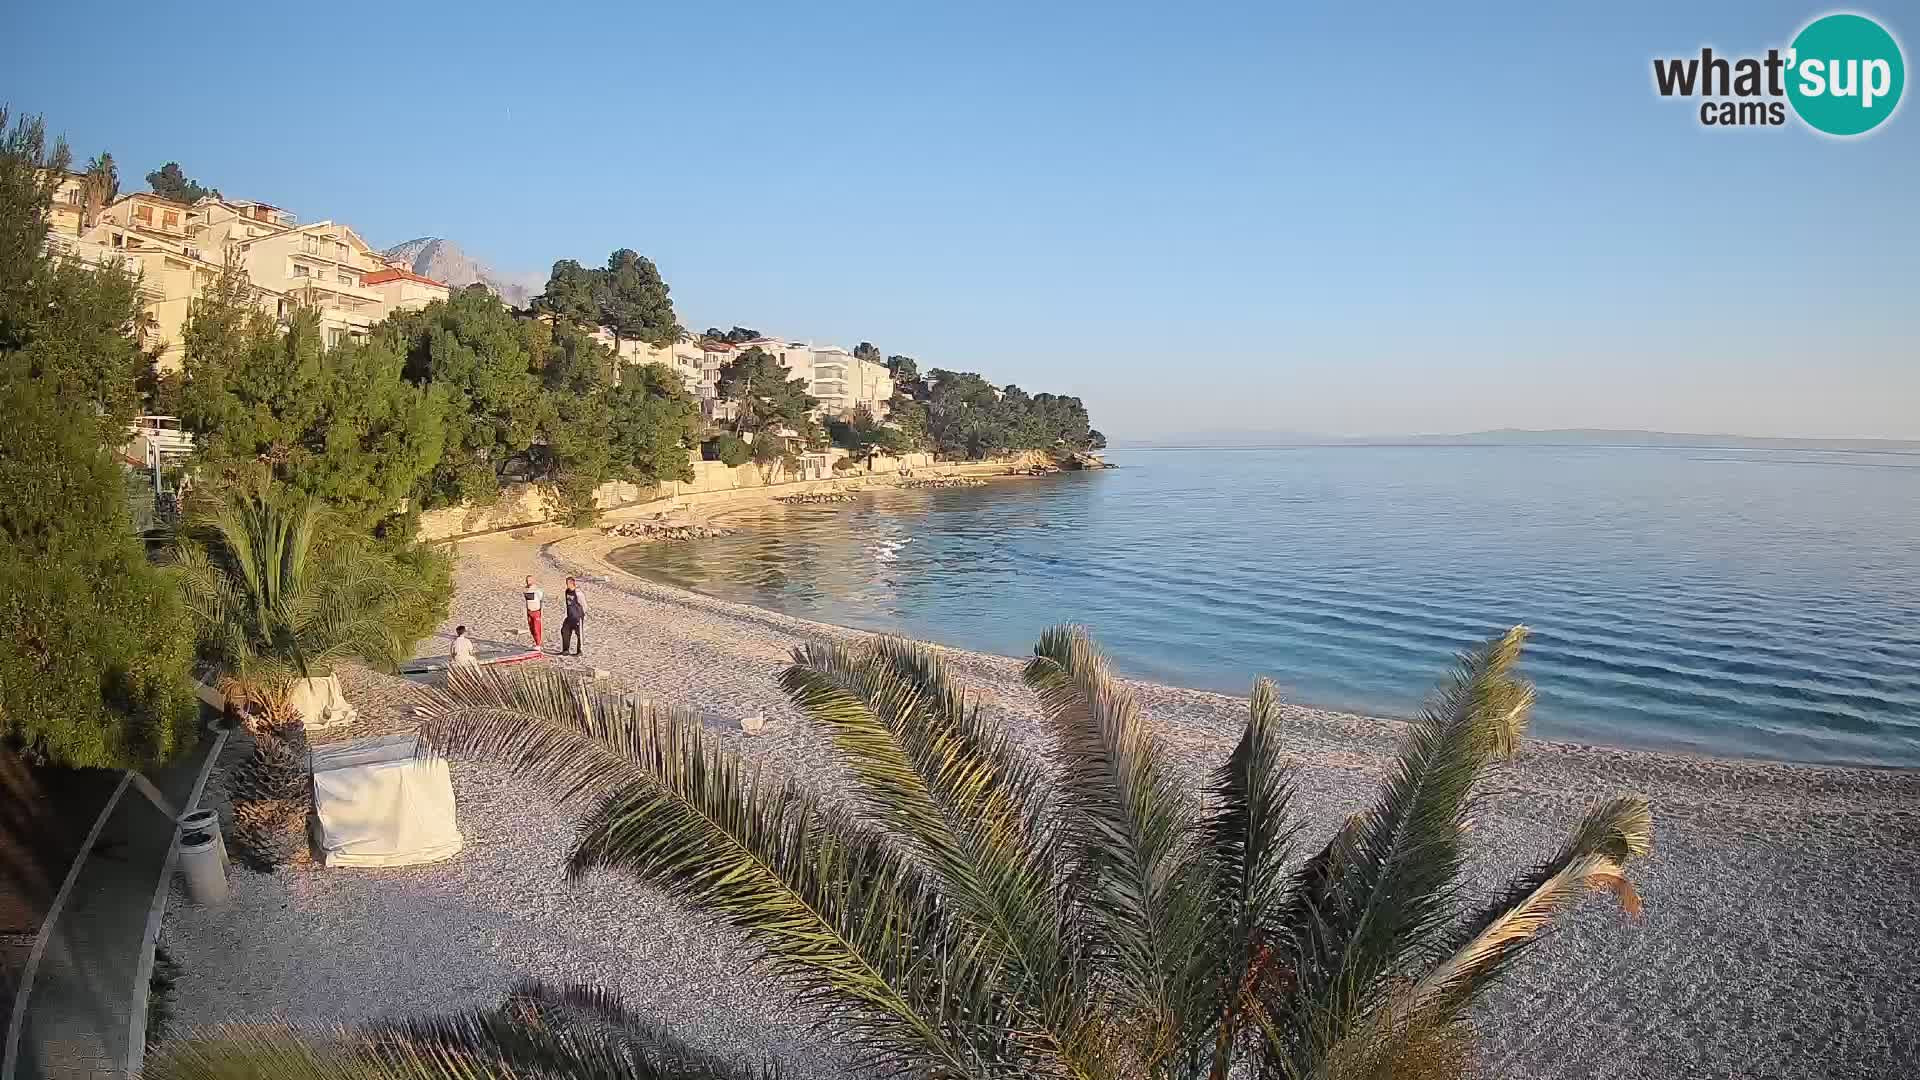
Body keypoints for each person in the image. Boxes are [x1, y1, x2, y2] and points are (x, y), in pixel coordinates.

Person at [560, 576, 587, 657]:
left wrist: (581, 615)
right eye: (566, 583)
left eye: (568, 583)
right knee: (564, 631)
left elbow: (584, 605)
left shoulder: (578, 593)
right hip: (569, 617)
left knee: (579, 634)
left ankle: (579, 651)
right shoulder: (567, 591)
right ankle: (565, 650)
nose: (567, 584)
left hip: (577, 617)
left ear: (572, 583)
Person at [523, 575, 545, 648]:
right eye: (527, 580)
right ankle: (536, 643)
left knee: (536, 629)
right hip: (529, 611)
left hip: (536, 611)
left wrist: (540, 611)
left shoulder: (537, 590)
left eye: (529, 580)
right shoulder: (526, 590)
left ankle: (538, 644)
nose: (528, 582)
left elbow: (541, 600)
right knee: (531, 629)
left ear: (533, 580)